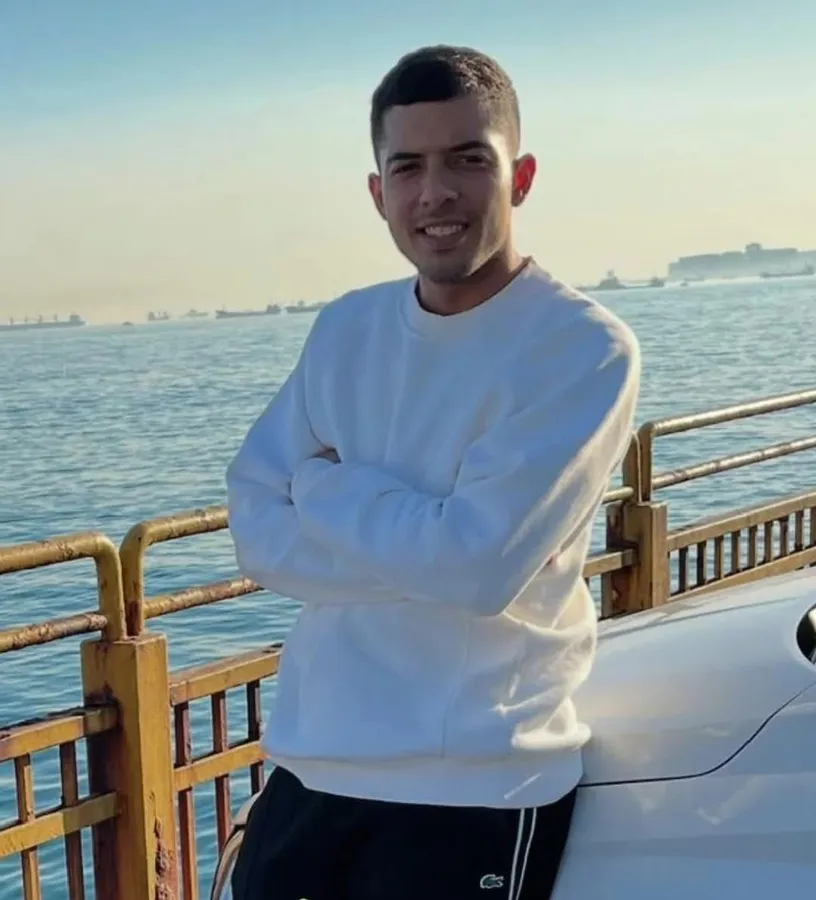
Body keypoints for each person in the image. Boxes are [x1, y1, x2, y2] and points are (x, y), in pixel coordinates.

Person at [224, 44, 640, 900]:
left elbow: (478, 569)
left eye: (468, 160)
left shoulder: (579, 348)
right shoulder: (346, 330)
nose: (435, 192)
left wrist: (325, 488)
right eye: (407, 167)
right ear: (377, 193)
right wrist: (434, 550)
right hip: (308, 770)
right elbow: (256, 529)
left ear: (521, 176)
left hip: (475, 786)